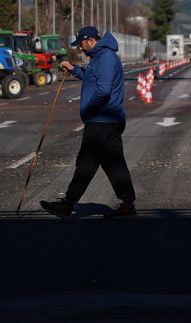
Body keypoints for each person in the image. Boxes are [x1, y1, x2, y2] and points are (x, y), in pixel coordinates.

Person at [40, 26, 137, 219]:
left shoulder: (105, 57)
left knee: (86, 162)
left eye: (82, 44)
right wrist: (75, 70)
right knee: (114, 163)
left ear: (91, 41)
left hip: (102, 119)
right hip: (108, 119)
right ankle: (128, 206)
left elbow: (103, 90)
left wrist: (88, 108)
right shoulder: (99, 57)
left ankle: (67, 205)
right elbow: (92, 79)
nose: (80, 48)